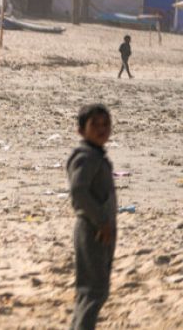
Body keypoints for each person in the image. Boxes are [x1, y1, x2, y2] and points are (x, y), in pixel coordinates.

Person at [67, 104, 117, 330]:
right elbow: (79, 192)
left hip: (98, 228)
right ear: (81, 131)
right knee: (94, 291)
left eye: (106, 124)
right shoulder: (86, 157)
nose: (102, 129)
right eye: (94, 124)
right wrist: (101, 221)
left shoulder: (95, 154)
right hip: (93, 229)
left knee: (90, 290)